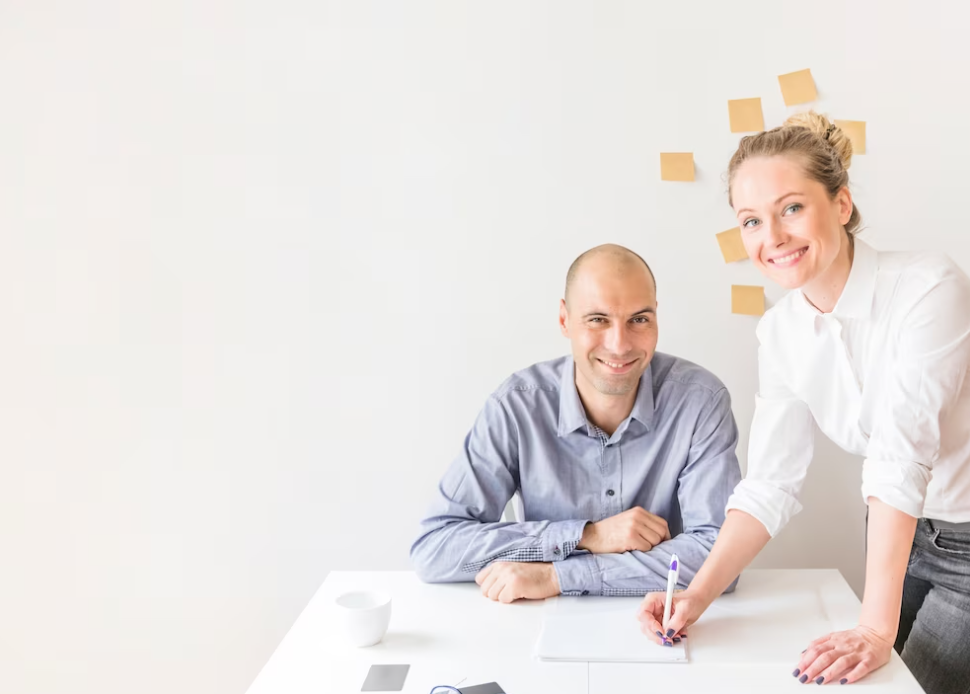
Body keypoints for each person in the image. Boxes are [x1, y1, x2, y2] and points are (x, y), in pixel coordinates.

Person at [637, 112, 970, 692]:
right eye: (750, 221)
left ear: (841, 204)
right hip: (901, 534)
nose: (772, 237)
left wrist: (873, 627)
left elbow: (900, 453)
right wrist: (696, 593)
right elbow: (770, 484)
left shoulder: (929, 287)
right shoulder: (780, 332)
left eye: (791, 208)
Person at [410, 244, 742, 605]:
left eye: (639, 319)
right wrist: (587, 536)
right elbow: (435, 548)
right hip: (539, 622)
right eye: (598, 319)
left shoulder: (700, 401)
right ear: (565, 320)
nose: (619, 345)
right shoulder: (515, 406)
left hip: (663, 620)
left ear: (656, 317)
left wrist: (559, 575)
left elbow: (722, 560)